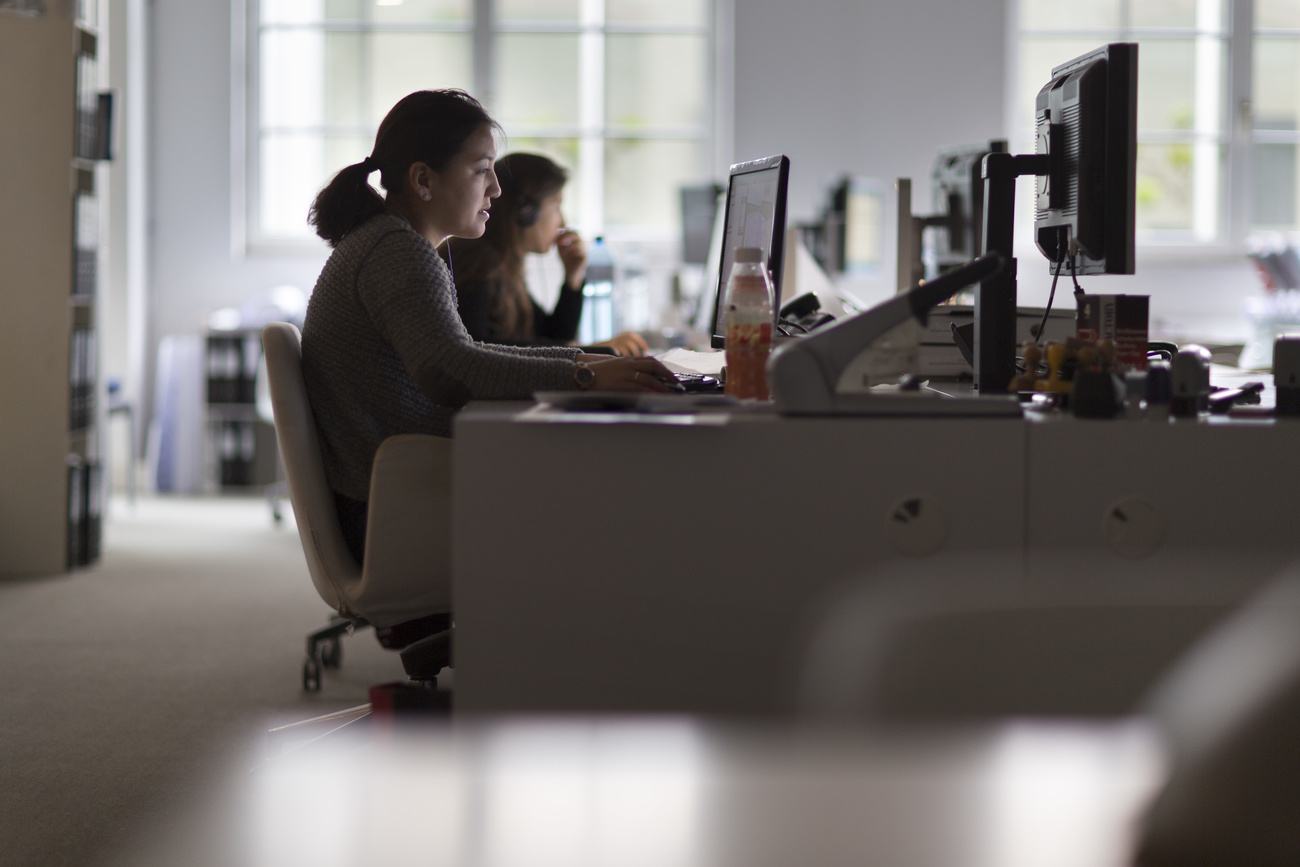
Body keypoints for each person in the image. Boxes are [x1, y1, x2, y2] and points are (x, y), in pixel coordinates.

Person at [301, 89, 675, 563]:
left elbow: (468, 348)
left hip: (391, 495)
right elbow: (451, 368)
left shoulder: (392, 242)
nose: (496, 188)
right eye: (481, 170)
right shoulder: (396, 251)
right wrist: (583, 374)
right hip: (391, 513)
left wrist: (584, 361)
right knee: (608, 493)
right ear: (423, 180)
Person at [450, 151, 649, 357]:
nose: (562, 222)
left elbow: (552, 337)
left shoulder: (504, 264)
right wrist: (593, 351)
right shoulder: (477, 261)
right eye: (556, 206)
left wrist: (572, 278)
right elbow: (478, 349)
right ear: (526, 211)